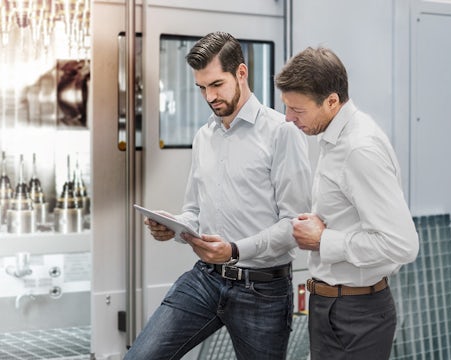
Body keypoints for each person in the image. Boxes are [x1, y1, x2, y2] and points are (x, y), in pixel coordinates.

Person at [124, 31, 312, 359]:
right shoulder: (204, 137)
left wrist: (235, 250)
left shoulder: (282, 133)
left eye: (216, 84)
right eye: (201, 88)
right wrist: (176, 226)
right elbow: (194, 211)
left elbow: (294, 226)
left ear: (241, 73)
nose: (209, 96)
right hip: (206, 280)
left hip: (263, 290)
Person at [275, 46, 420, 360]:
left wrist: (324, 240)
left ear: (331, 102)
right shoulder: (334, 139)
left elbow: (403, 245)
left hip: (357, 314)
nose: (288, 119)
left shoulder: (359, 149)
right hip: (331, 305)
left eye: (297, 110)